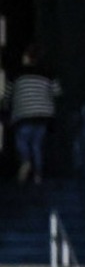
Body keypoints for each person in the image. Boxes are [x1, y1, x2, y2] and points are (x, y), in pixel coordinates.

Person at [4, 45, 59, 185]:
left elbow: (7, 95)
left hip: (23, 114)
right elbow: (57, 92)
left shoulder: (16, 74)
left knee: (22, 142)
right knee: (37, 145)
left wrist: (6, 109)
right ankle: (38, 176)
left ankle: (26, 161)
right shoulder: (48, 73)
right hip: (43, 114)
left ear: (27, 57)